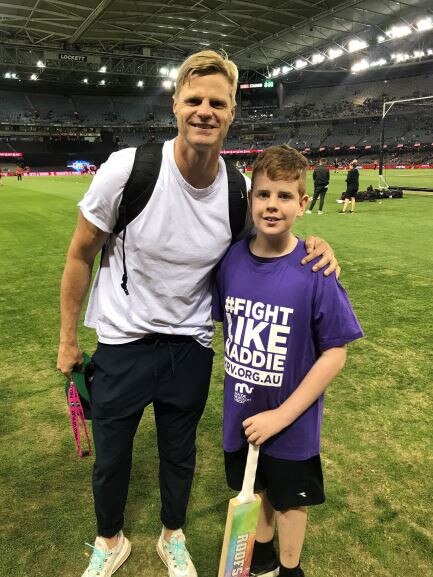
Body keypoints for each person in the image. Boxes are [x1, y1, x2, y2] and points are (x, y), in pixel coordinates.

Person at [57, 50, 339, 577]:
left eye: (218, 102)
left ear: (232, 112)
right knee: (112, 456)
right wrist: (68, 340)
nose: (205, 110)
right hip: (122, 341)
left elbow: (267, 242)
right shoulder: (129, 169)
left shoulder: (236, 189)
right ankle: (109, 540)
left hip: (190, 346)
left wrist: (316, 244)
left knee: (179, 454)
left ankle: (172, 534)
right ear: (176, 106)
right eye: (195, 100)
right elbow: (79, 254)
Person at [212, 145, 363, 577]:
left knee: (290, 499)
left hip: (292, 422)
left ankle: (289, 567)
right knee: (254, 489)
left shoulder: (315, 269)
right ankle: (260, 558)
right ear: (251, 200)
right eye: (263, 195)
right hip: (240, 413)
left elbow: (335, 353)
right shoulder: (232, 260)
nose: (272, 205)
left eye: (283, 196)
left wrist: (281, 415)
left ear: (302, 203)